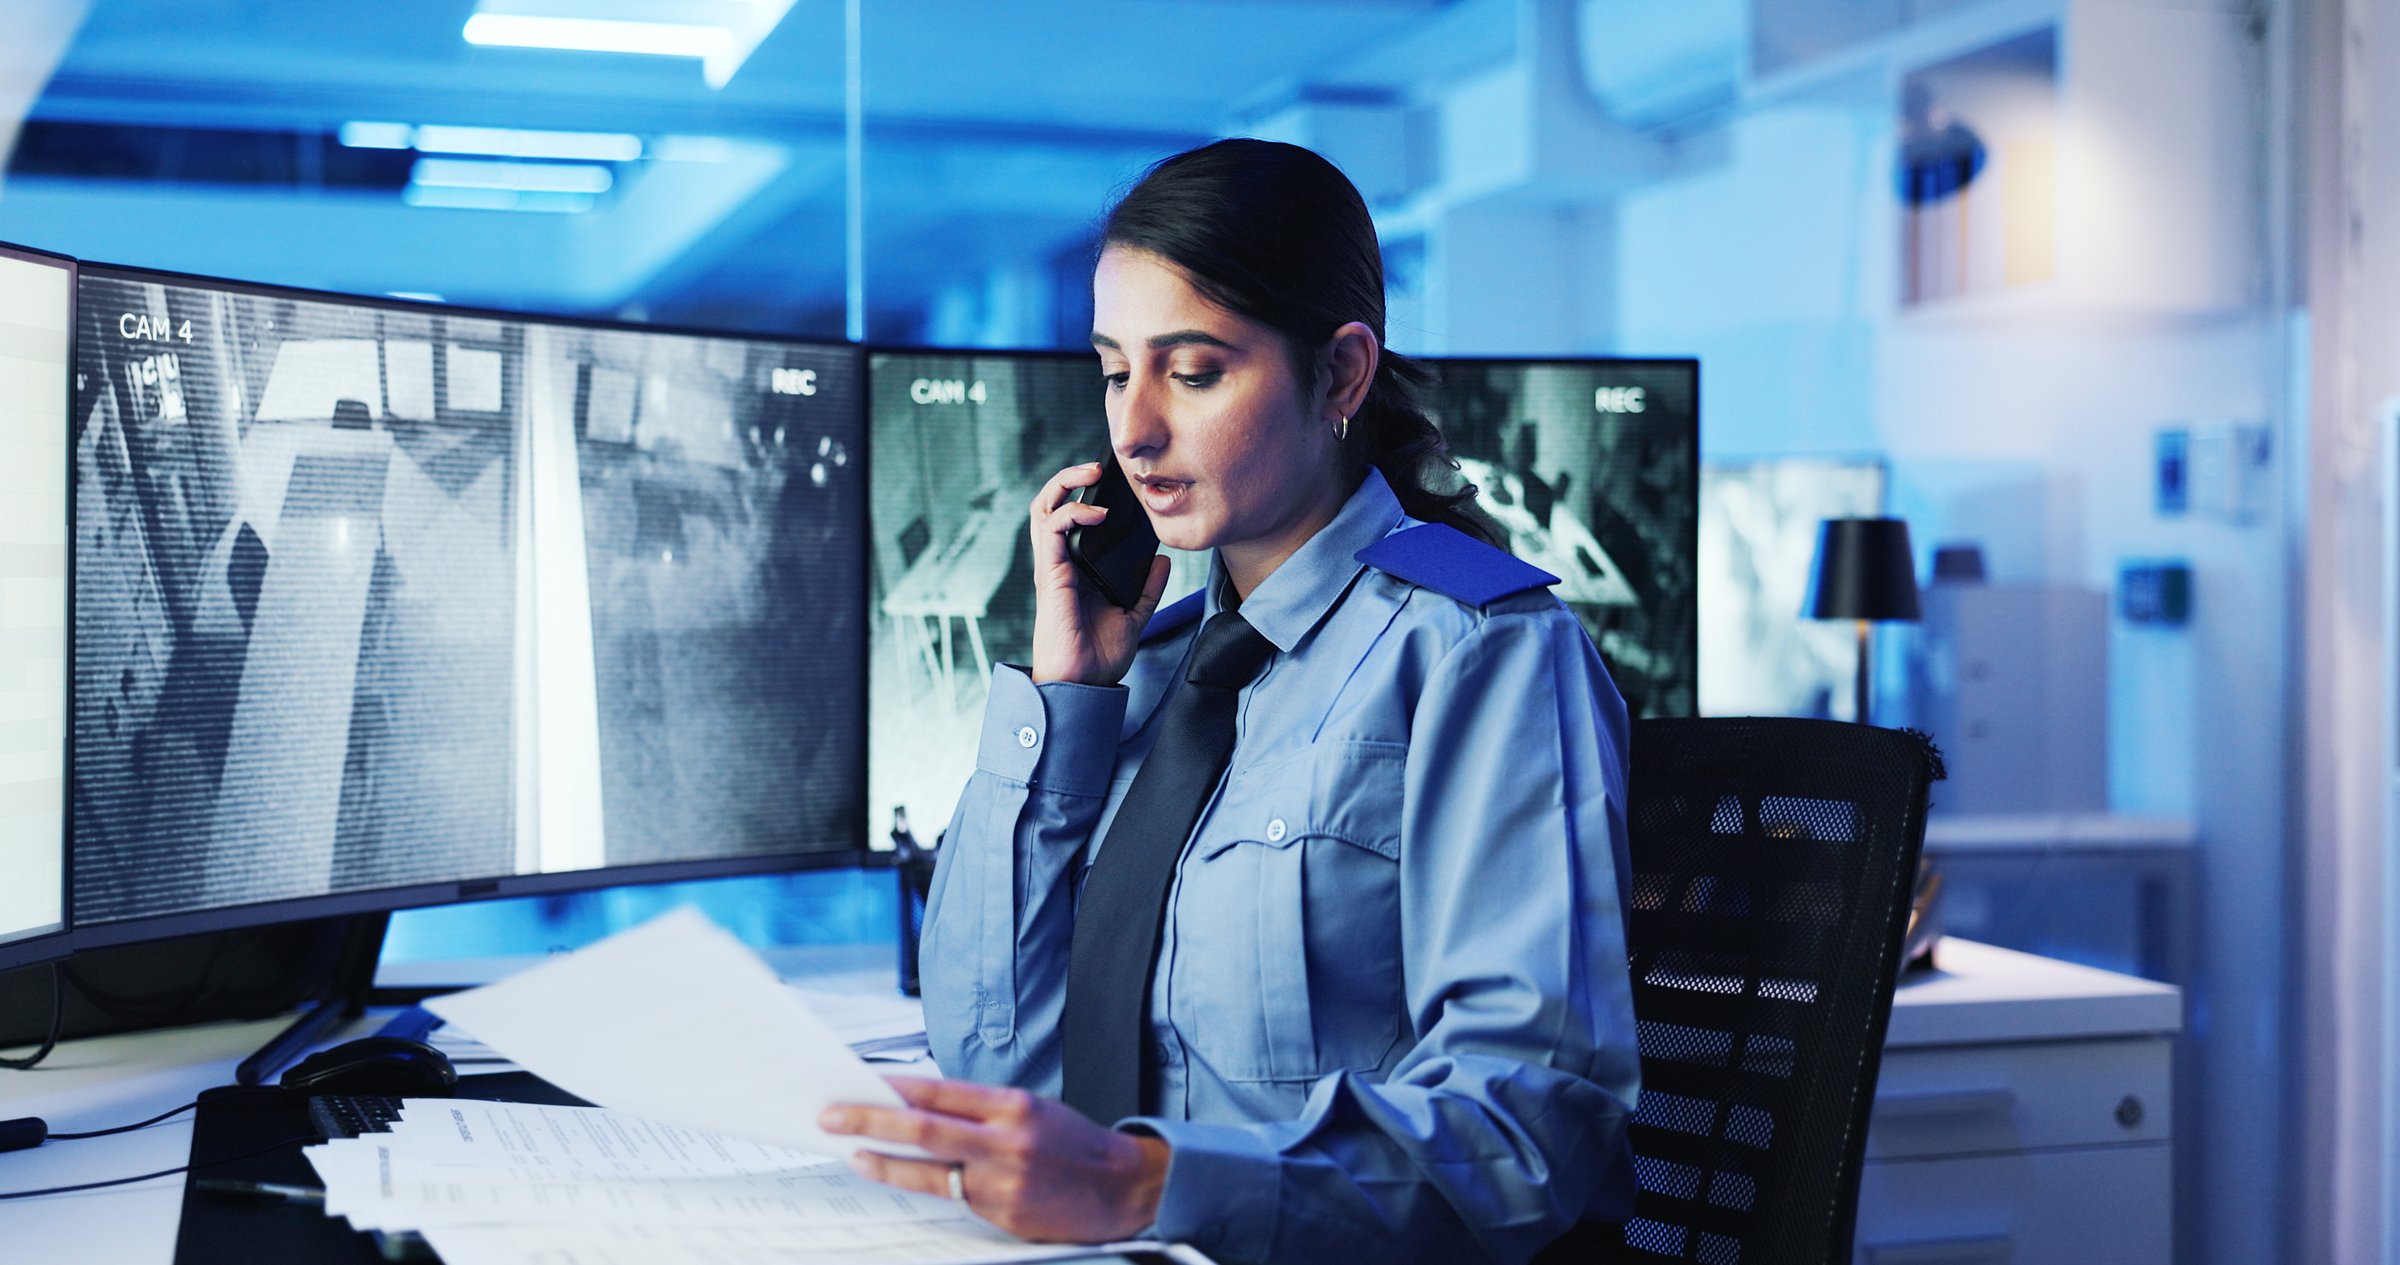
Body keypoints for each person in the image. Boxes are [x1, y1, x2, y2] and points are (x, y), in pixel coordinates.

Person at [817, 138, 1639, 1265]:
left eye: (1192, 371)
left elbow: (1526, 1121)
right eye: (1115, 371)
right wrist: (1064, 699)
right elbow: (992, 1062)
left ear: (1342, 376)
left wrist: (1155, 1183)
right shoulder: (1144, 672)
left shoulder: (1480, 656)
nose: (1134, 431)